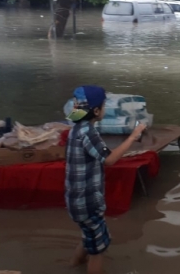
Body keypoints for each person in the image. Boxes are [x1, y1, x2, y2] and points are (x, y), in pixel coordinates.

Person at [65, 85, 146, 274]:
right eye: (104, 106)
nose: (105, 109)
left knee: (89, 238)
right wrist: (133, 136)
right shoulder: (89, 133)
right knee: (98, 250)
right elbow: (109, 159)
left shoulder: (75, 129)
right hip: (87, 203)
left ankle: (71, 266)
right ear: (96, 110)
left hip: (75, 201)